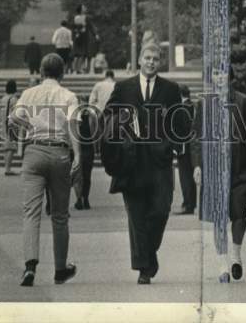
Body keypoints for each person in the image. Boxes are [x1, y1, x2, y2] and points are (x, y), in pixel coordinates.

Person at [101, 42, 189, 284]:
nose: (151, 62)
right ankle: (144, 268)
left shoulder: (170, 89)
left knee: (160, 210)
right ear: (139, 59)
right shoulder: (124, 87)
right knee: (137, 215)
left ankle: (148, 253)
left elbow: (180, 124)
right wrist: (125, 124)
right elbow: (107, 117)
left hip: (160, 163)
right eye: (147, 58)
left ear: (159, 63)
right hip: (131, 162)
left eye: (156, 59)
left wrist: (169, 144)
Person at [10, 52, 80, 287]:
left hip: (34, 152)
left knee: (31, 212)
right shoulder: (68, 96)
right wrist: (78, 154)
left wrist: (29, 126)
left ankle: (30, 266)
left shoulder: (29, 94)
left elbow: (13, 119)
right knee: (60, 215)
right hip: (59, 152)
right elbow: (72, 126)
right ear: (63, 72)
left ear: (40, 72)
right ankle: (60, 269)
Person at [191, 71, 246, 283]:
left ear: (230, 75)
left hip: (240, 167)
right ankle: (223, 264)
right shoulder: (205, 105)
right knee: (219, 217)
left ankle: (235, 255)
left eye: (223, 72)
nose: (219, 76)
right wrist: (197, 165)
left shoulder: (243, 102)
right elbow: (196, 137)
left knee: (239, 214)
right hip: (214, 170)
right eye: (215, 72)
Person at [173, 84, 197, 215]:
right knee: (189, 177)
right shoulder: (192, 106)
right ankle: (190, 203)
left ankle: (188, 205)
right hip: (192, 147)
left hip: (184, 147)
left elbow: (182, 130)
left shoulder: (182, 108)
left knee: (185, 177)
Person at [73, 101, 96, 210]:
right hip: (88, 148)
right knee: (87, 175)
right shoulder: (92, 117)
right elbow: (96, 133)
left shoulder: (74, 117)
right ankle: (85, 198)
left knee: (78, 175)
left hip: (78, 148)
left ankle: (79, 199)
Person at [0, 79, 20, 175]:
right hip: (10, 125)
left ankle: (6, 167)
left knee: (6, 147)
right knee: (11, 147)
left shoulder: (3, 98)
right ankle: (8, 168)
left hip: (3, 124)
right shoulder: (13, 99)